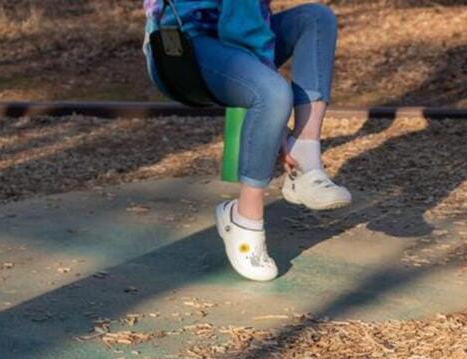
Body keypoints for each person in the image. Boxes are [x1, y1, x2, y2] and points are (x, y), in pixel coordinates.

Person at [143, 0, 351, 281]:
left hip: (232, 40)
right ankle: (243, 218)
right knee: (273, 94)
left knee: (315, 19)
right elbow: (243, 29)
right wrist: (274, 121)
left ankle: (304, 156)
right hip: (184, 48)